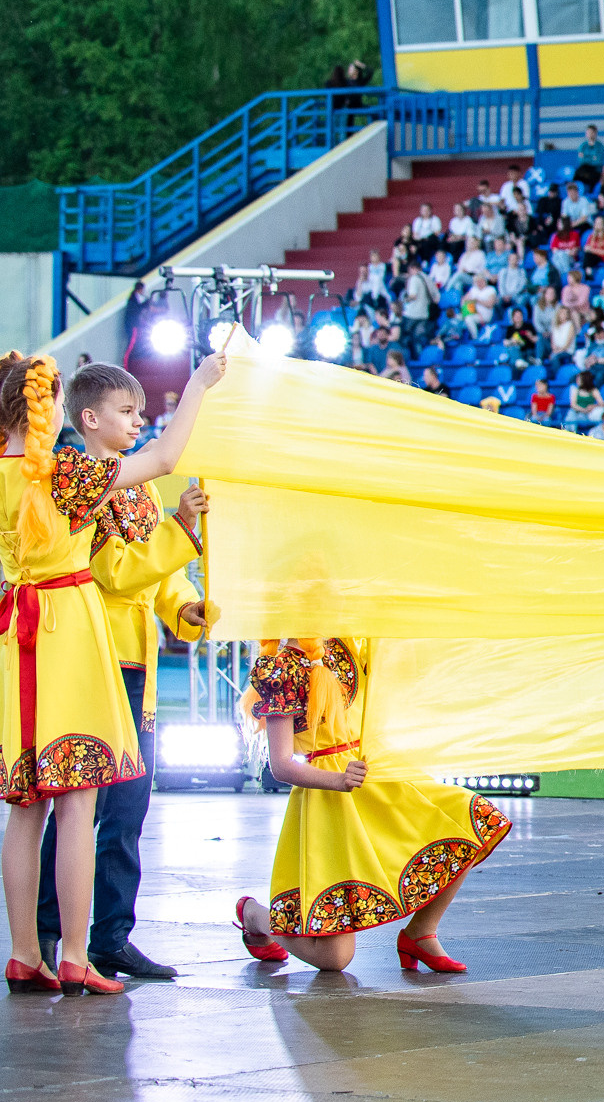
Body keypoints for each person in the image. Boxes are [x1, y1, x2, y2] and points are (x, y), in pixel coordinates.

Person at [3, 348, 225, 996]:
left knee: (24, 805)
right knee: (79, 799)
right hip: (65, 627)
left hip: (15, 630)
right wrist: (197, 385)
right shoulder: (65, 472)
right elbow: (162, 458)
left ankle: (24, 952)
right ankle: (75, 952)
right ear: (49, 409)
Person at [234, 638, 510, 973]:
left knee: (471, 822)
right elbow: (280, 765)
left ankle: (421, 932)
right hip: (331, 799)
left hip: (378, 771)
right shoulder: (279, 667)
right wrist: (338, 781)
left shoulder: (350, 643)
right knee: (334, 959)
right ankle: (255, 916)